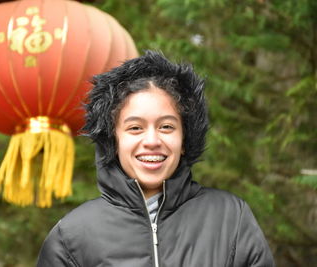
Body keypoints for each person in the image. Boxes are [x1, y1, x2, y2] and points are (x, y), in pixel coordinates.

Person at [37, 51, 275, 267]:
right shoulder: (71, 236)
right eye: (135, 128)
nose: (152, 140)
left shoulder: (230, 217)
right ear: (113, 140)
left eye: (166, 126)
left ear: (185, 139)